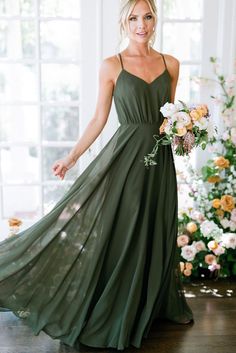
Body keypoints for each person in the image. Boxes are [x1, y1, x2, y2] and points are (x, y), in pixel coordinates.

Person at [0, 0, 194, 351]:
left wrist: (185, 133)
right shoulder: (112, 65)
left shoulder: (171, 64)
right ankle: (115, 303)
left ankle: (146, 303)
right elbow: (98, 118)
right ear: (124, 23)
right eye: (134, 18)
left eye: (148, 16)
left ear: (155, 20)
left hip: (159, 160)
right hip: (126, 158)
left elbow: (170, 117)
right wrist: (72, 157)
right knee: (124, 228)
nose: (142, 24)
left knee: (153, 225)